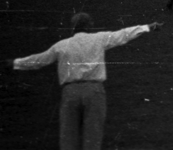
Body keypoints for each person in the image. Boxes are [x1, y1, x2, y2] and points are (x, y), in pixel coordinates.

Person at [9, 13, 161, 150]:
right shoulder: (99, 39)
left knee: (68, 135)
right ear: (89, 26)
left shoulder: (62, 45)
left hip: (70, 92)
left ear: (73, 27)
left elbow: (40, 60)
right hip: (94, 91)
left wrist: (15, 63)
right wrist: (147, 27)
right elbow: (124, 35)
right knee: (93, 135)